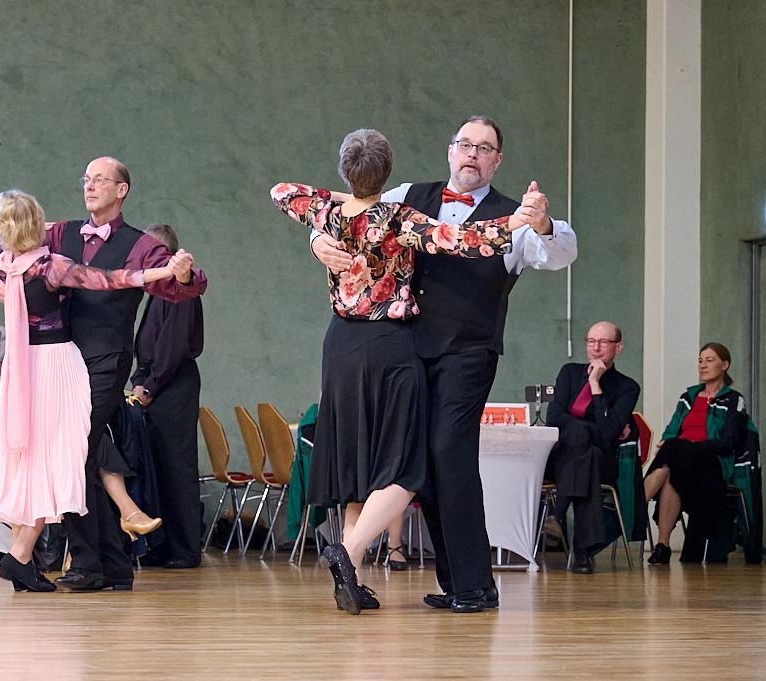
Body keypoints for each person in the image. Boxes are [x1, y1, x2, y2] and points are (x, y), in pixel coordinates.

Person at [311, 115, 577, 613]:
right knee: (422, 460)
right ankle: (456, 582)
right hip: (405, 351)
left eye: (485, 147)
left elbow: (561, 251)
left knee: (447, 451)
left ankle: (474, 584)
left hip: (467, 354)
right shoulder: (410, 195)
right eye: (465, 144)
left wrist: (541, 220)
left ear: (497, 160)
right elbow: (348, 216)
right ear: (450, 151)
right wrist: (318, 243)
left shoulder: (512, 219)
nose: (473, 153)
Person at [272, 128, 526, 614]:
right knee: (404, 466)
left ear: (347, 170)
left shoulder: (324, 208)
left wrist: (328, 217)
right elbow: (466, 241)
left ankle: (354, 578)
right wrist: (515, 221)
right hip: (390, 348)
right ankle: (345, 554)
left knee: (357, 462)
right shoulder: (403, 216)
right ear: (388, 173)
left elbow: (282, 191)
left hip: (340, 345)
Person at [0, 156, 207, 592]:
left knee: (74, 449)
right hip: (54, 362)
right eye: (86, 179)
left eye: (100, 180)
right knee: (76, 455)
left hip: (105, 360)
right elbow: (7, 249)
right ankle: (109, 563)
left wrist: (183, 274)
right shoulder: (59, 233)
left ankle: (87, 561)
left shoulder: (141, 244)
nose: (90, 186)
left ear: (121, 190)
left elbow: (180, 283)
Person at [129, 224, 205, 569]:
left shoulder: (180, 290)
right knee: (159, 464)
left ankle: (185, 549)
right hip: (159, 382)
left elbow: (172, 346)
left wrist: (150, 385)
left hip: (171, 384)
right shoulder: (159, 291)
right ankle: (163, 545)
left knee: (177, 465)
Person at [644, 342, 760, 564]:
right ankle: (662, 546)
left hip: (713, 462)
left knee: (673, 450)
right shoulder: (687, 398)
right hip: (682, 461)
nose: (703, 365)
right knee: (672, 465)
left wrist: (691, 446)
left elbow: (728, 442)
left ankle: (638, 505)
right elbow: (671, 431)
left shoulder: (734, 400)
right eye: (700, 360)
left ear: (725, 365)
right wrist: (670, 443)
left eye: (709, 360)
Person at [545, 321, 641, 573]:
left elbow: (610, 433)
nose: (596, 347)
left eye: (603, 342)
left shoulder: (627, 387)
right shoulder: (569, 372)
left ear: (618, 347)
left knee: (588, 450)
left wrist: (596, 385)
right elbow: (553, 415)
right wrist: (588, 428)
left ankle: (558, 514)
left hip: (604, 460)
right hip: (563, 457)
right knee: (585, 449)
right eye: (591, 341)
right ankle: (582, 553)